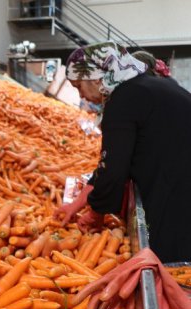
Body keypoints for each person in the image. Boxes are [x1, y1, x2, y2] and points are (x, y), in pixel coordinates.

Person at [54, 41, 191, 263]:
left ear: (95, 77)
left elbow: (115, 169)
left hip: (178, 187)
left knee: (174, 255)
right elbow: (110, 162)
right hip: (178, 175)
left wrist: (95, 213)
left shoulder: (124, 100)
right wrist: (78, 203)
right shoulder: (146, 86)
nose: (82, 96)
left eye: (79, 86)